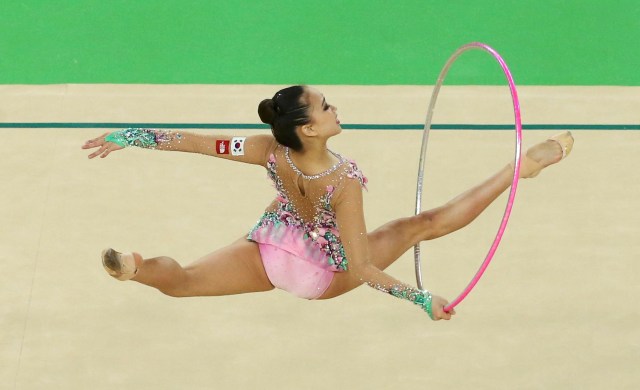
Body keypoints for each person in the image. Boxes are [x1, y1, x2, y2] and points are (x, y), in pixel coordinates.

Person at [82, 85, 573, 321]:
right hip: (322, 273)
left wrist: (131, 135)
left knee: (183, 281)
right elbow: (359, 267)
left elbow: (192, 141)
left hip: (271, 249)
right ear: (309, 128)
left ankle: (138, 269)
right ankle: (519, 169)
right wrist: (422, 298)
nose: (333, 105)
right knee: (421, 225)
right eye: (324, 105)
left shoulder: (265, 149)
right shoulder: (342, 182)